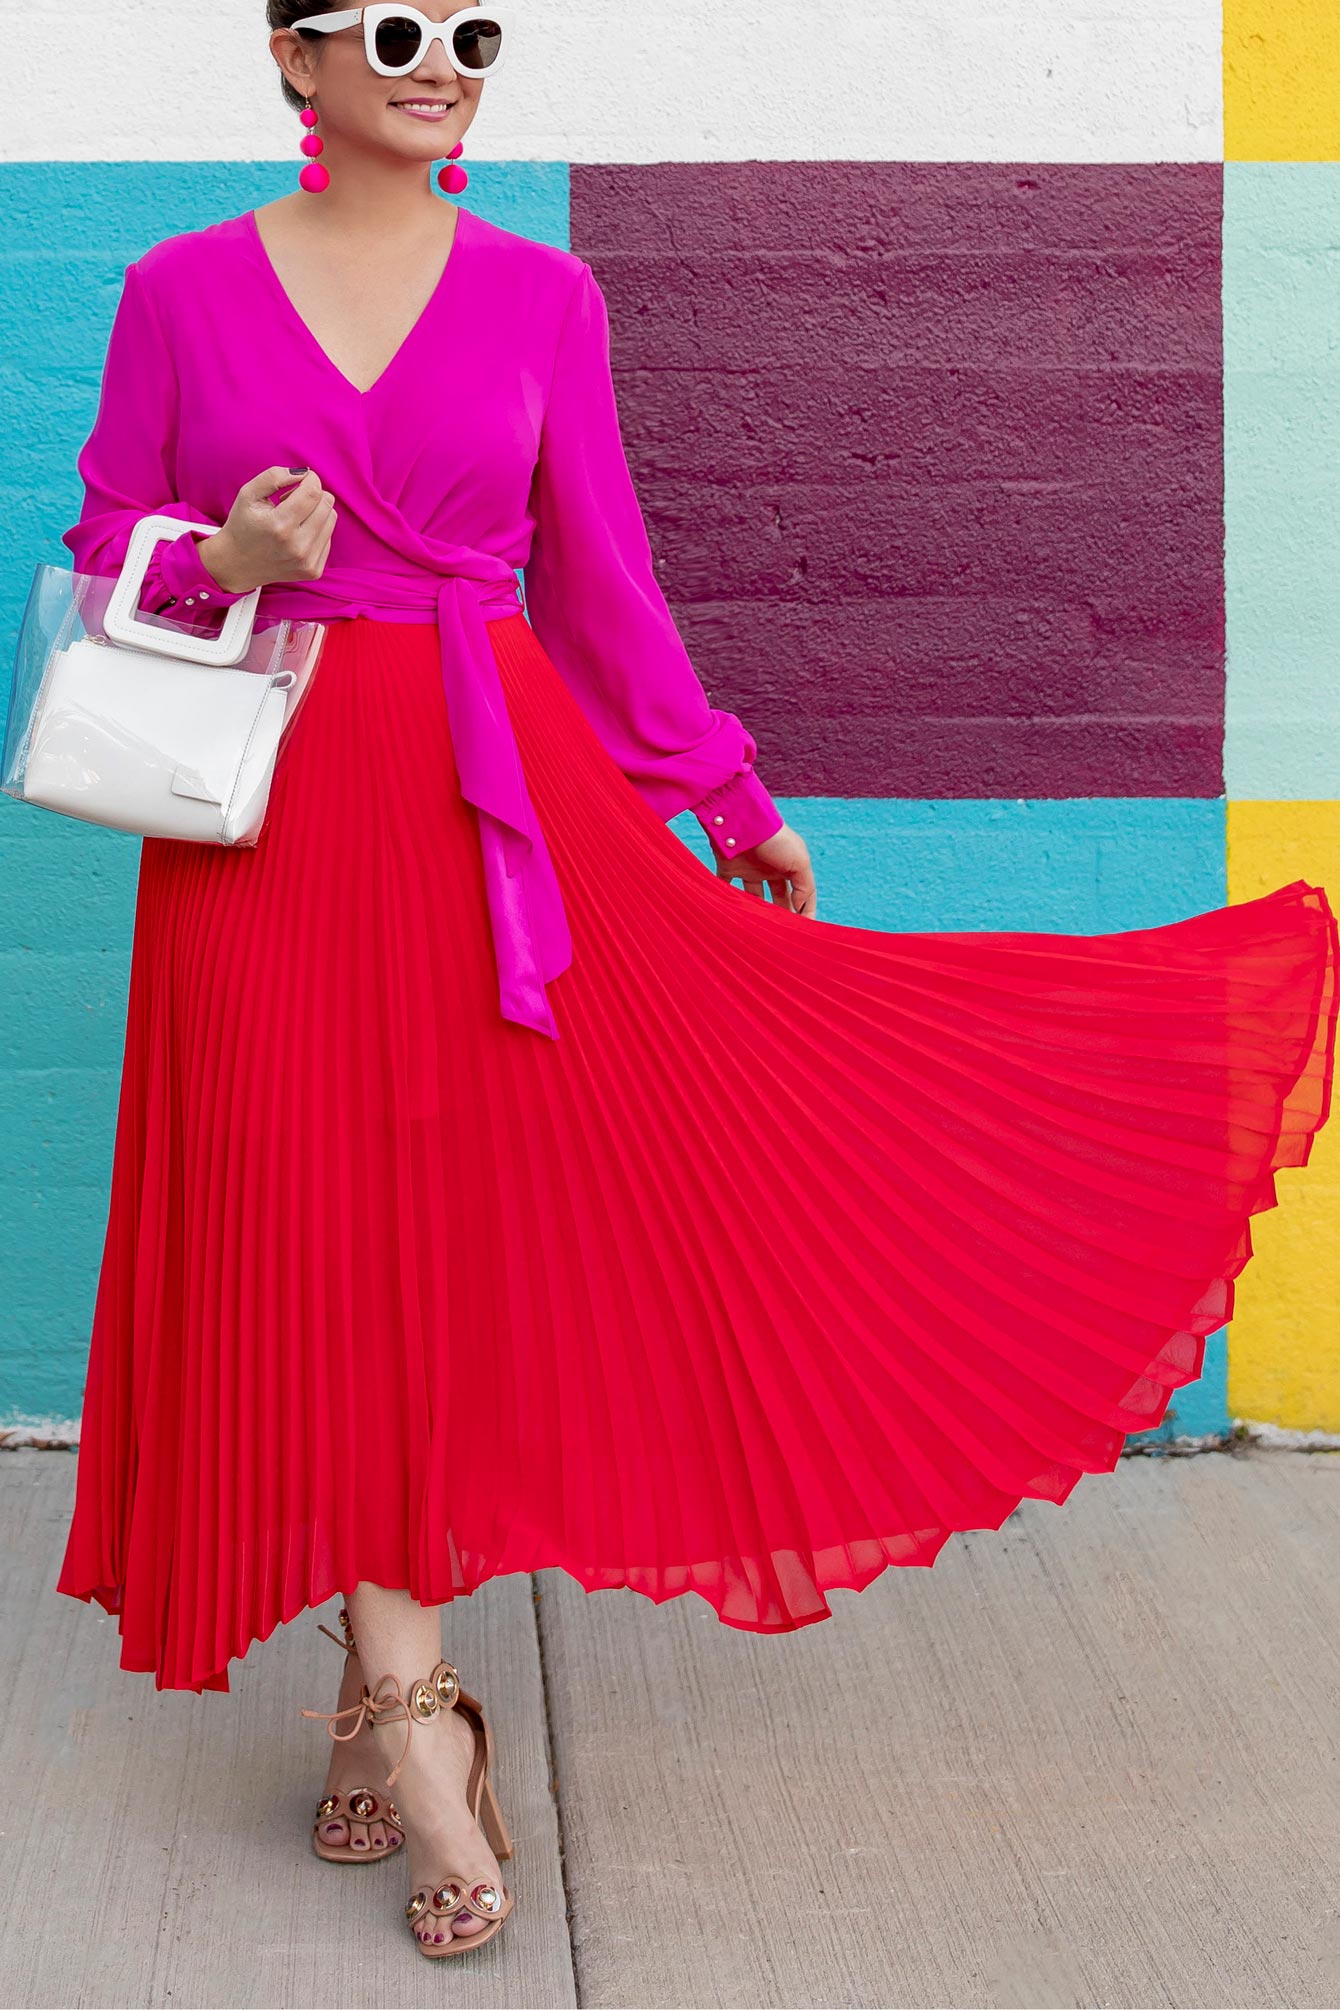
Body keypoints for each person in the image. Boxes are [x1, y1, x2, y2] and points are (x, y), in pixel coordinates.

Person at [53, 0, 1338, 1967]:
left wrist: (722, 785)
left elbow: (602, 582)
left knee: (452, 1235)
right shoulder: (177, 293)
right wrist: (221, 551)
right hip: (267, 833)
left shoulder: (543, 301)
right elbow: (98, 554)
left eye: (474, 27)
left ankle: (391, 1704)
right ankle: (406, 1703)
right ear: (293, 59)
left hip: (500, 818)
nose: (444, 58)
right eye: (396, 24)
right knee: (301, 1230)